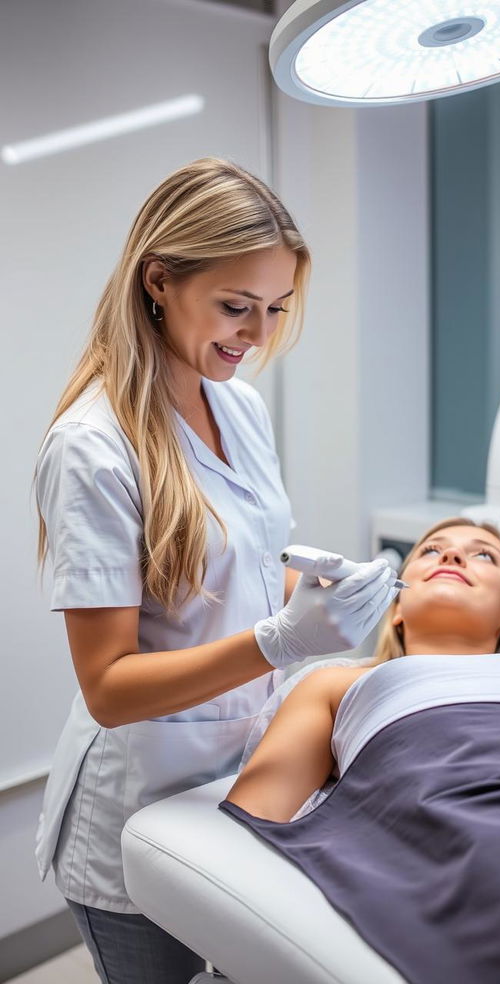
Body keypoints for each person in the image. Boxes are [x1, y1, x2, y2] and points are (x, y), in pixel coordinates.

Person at [33, 157, 398, 984]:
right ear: (159, 280)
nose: (259, 335)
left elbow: (250, 572)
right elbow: (109, 685)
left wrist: (319, 599)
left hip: (242, 778)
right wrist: (281, 642)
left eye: (277, 308)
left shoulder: (238, 401)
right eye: (236, 306)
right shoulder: (94, 447)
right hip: (136, 801)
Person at [221, 517, 500, 984]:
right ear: (395, 607)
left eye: (484, 554)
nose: (453, 556)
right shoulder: (340, 684)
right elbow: (252, 826)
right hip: (473, 849)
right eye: (431, 550)